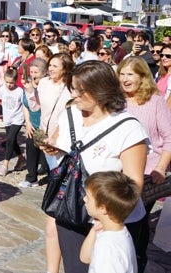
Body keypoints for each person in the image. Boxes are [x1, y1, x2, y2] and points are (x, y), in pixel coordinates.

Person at [42, 61, 148, 273]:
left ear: (101, 91)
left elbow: (134, 183)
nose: (75, 96)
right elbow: (57, 141)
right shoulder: (70, 114)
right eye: (73, 89)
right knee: (76, 267)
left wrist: (105, 218)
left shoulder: (128, 129)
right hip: (71, 207)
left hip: (108, 219)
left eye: (82, 92)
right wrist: (53, 148)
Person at [25, 52, 74, 273]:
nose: (50, 69)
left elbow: (69, 115)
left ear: (65, 68)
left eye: (55, 65)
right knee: (55, 173)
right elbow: (36, 108)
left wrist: (55, 138)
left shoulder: (71, 87)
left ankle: (61, 210)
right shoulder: (43, 83)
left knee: (61, 172)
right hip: (45, 135)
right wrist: (29, 93)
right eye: (50, 65)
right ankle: (58, 207)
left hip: (62, 138)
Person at [117, 56, 171, 258]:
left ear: (142, 77)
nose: (125, 78)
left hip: (147, 172)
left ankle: (136, 261)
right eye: (121, 73)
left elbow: (169, 137)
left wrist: (161, 167)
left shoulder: (155, 101)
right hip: (118, 170)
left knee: (136, 221)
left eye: (130, 74)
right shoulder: (117, 101)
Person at [80, 171, 140, 272]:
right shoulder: (115, 230)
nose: (84, 199)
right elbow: (85, 258)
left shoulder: (109, 247)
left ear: (103, 208)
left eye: (88, 198)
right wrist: (94, 230)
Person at [19, 58, 49, 188]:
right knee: (31, 151)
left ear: (44, 73)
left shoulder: (46, 87)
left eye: (36, 72)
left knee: (45, 155)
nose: (33, 75)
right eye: (31, 71)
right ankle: (31, 178)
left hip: (45, 126)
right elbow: (25, 104)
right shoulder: (28, 85)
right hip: (33, 125)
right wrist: (28, 122)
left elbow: (40, 106)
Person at [0, 68, 26, 175]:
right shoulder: (2, 89)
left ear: (16, 81)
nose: (9, 85)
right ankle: (21, 158)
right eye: (7, 82)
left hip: (18, 118)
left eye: (11, 83)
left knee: (9, 140)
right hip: (7, 118)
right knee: (12, 141)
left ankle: (5, 165)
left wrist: (26, 120)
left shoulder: (20, 92)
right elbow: (0, 102)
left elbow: (24, 105)